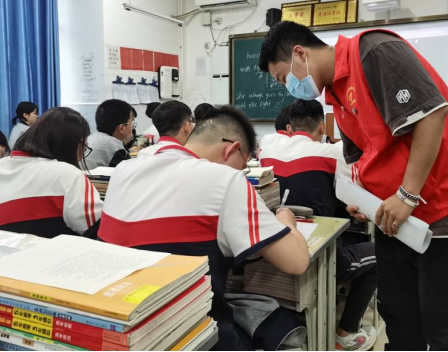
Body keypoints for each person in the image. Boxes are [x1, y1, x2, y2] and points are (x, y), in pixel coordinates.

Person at [260, 21, 448, 351]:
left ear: (300, 54)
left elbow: (431, 115)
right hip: (398, 220)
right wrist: (363, 197)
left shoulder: (373, 51)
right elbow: (366, 156)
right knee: (400, 319)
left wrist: (407, 194)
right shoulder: (336, 94)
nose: (289, 88)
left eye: (283, 78)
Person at [98, 106, 309, 351]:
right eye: (242, 166)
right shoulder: (224, 179)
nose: (241, 173)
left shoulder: (124, 170)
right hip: (193, 332)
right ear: (232, 149)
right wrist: (286, 220)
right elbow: (297, 262)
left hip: (118, 327)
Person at [259, 99, 378, 351]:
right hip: (317, 255)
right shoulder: (334, 153)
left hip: (273, 254)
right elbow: (355, 200)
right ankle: (345, 334)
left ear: (289, 127)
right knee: (379, 255)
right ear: (322, 127)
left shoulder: (267, 147)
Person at [0, 108, 102, 238]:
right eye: (84, 146)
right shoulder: (68, 175)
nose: (82, 154)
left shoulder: (2, 164)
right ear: (70, 144)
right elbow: (99, 229)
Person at [86, 100, 135, 170]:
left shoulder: (91, 137)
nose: (132, 127)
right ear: (121, 128)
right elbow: (129, 171)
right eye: (132, 123)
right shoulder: (114, 146)